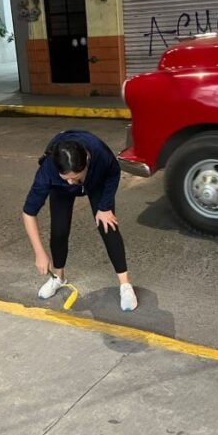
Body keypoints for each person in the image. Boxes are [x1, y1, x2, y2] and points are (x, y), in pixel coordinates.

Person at [22, 130, 138, 311]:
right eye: (66, 178)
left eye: (74, 178)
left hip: (95, 183)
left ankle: (125, 285)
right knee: (59, 230)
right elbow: (29, 212)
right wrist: (39, 253)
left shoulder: (99, 154)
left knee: (108, 226)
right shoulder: (48, 171)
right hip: (59, 190)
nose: (70, 182)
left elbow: (114, 173)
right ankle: (58, 278)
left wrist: (105, 206)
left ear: (87, 164)